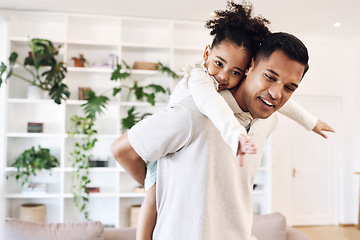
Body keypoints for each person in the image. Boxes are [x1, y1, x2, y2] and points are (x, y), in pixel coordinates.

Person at [113, 2, 334, 240]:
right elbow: (122, 150)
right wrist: (157, 185)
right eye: (269, 77)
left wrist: (312, 122)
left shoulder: (268, 121)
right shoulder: (194, 112)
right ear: (251, 67)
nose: (277, 94)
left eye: (289, 87)